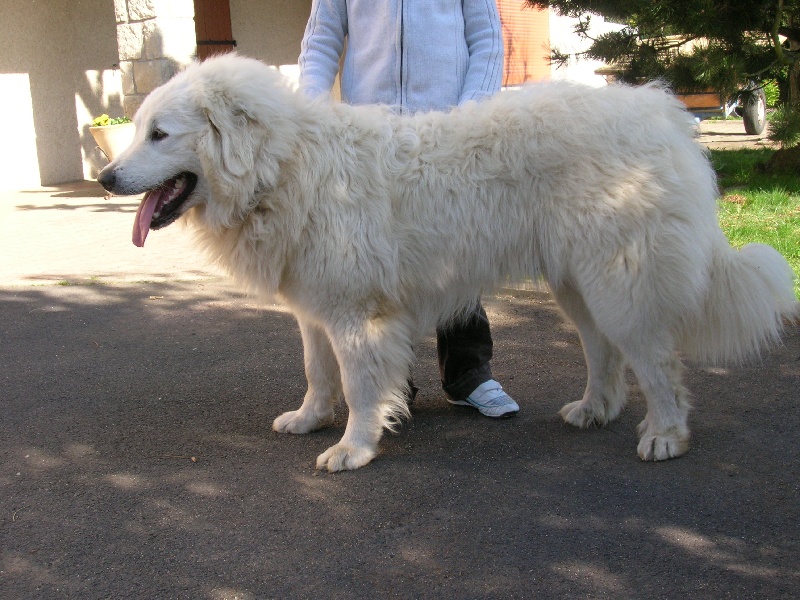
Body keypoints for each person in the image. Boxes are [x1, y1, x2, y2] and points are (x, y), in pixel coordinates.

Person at [298, 0, 519, 418]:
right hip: (368, 142)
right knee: (375, 270)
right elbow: (321, 40)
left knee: (457, 255)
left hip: (449, 136)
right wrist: (311, 110)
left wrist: (471, 116)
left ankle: (468, 374)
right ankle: (388, 385)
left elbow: (487, 38)